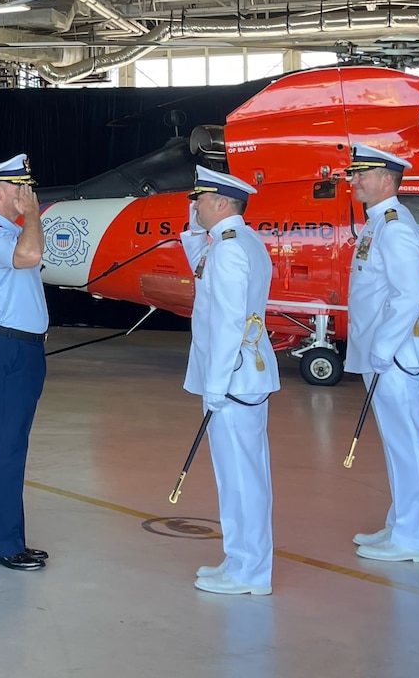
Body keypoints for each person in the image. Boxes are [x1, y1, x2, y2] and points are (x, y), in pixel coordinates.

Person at [180, 166, 278, 596]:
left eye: (199, 199)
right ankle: (240, 560)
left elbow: (227, 322)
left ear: (221, 204)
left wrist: (215, 384)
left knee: (242, 475)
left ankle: (252, 569)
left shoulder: (229, 250)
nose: (194, 204)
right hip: (240, 376)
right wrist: (193, 224)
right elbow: (199, 265)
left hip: (233, 380)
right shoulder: (239, 242)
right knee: (236, 475)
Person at [345, 142, 419, 564]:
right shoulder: (376, 223)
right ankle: (401, 525)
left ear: (386, 179)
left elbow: (408, 295)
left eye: (362, 173)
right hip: (382, 353)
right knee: (397, 444)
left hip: (395, 355)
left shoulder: (395, 225)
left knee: (409, 445)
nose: (354, 180)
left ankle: (415, 539)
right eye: (355, 172)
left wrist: (381, 348)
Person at [0, 154, 48, 572]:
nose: (27, 194)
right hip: (7, 350)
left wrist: (28, 215)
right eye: (20, 187)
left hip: (23, 350)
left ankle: (10, 538)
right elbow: (30, 254)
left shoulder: (8, 230)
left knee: (12, 447)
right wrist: (32, 214)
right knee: (3, 448)